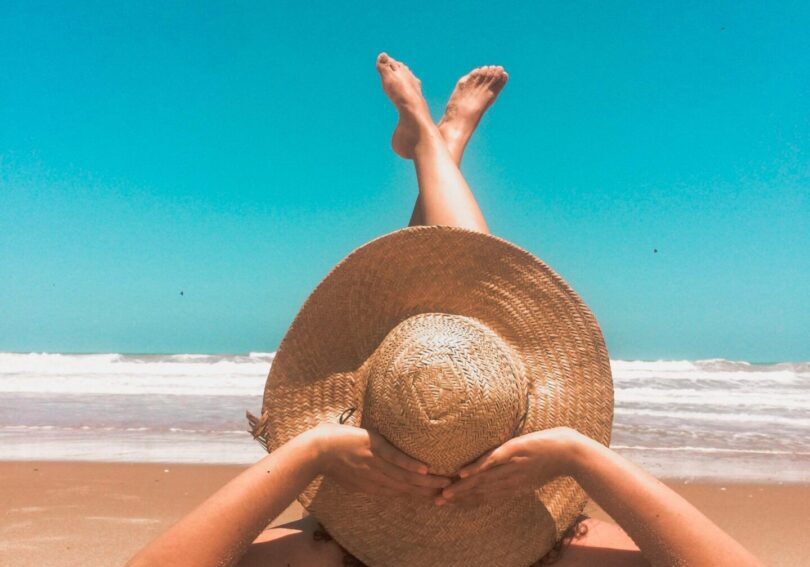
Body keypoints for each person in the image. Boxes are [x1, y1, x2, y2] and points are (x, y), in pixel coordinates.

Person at [126, 54, 763, 567]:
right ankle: (436, 146)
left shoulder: (324, 555)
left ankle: (437, 144)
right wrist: (581, 456)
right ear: (525, 439)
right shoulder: (562, 553)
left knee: (442, 320)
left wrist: (309, 453)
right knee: (453, 324)